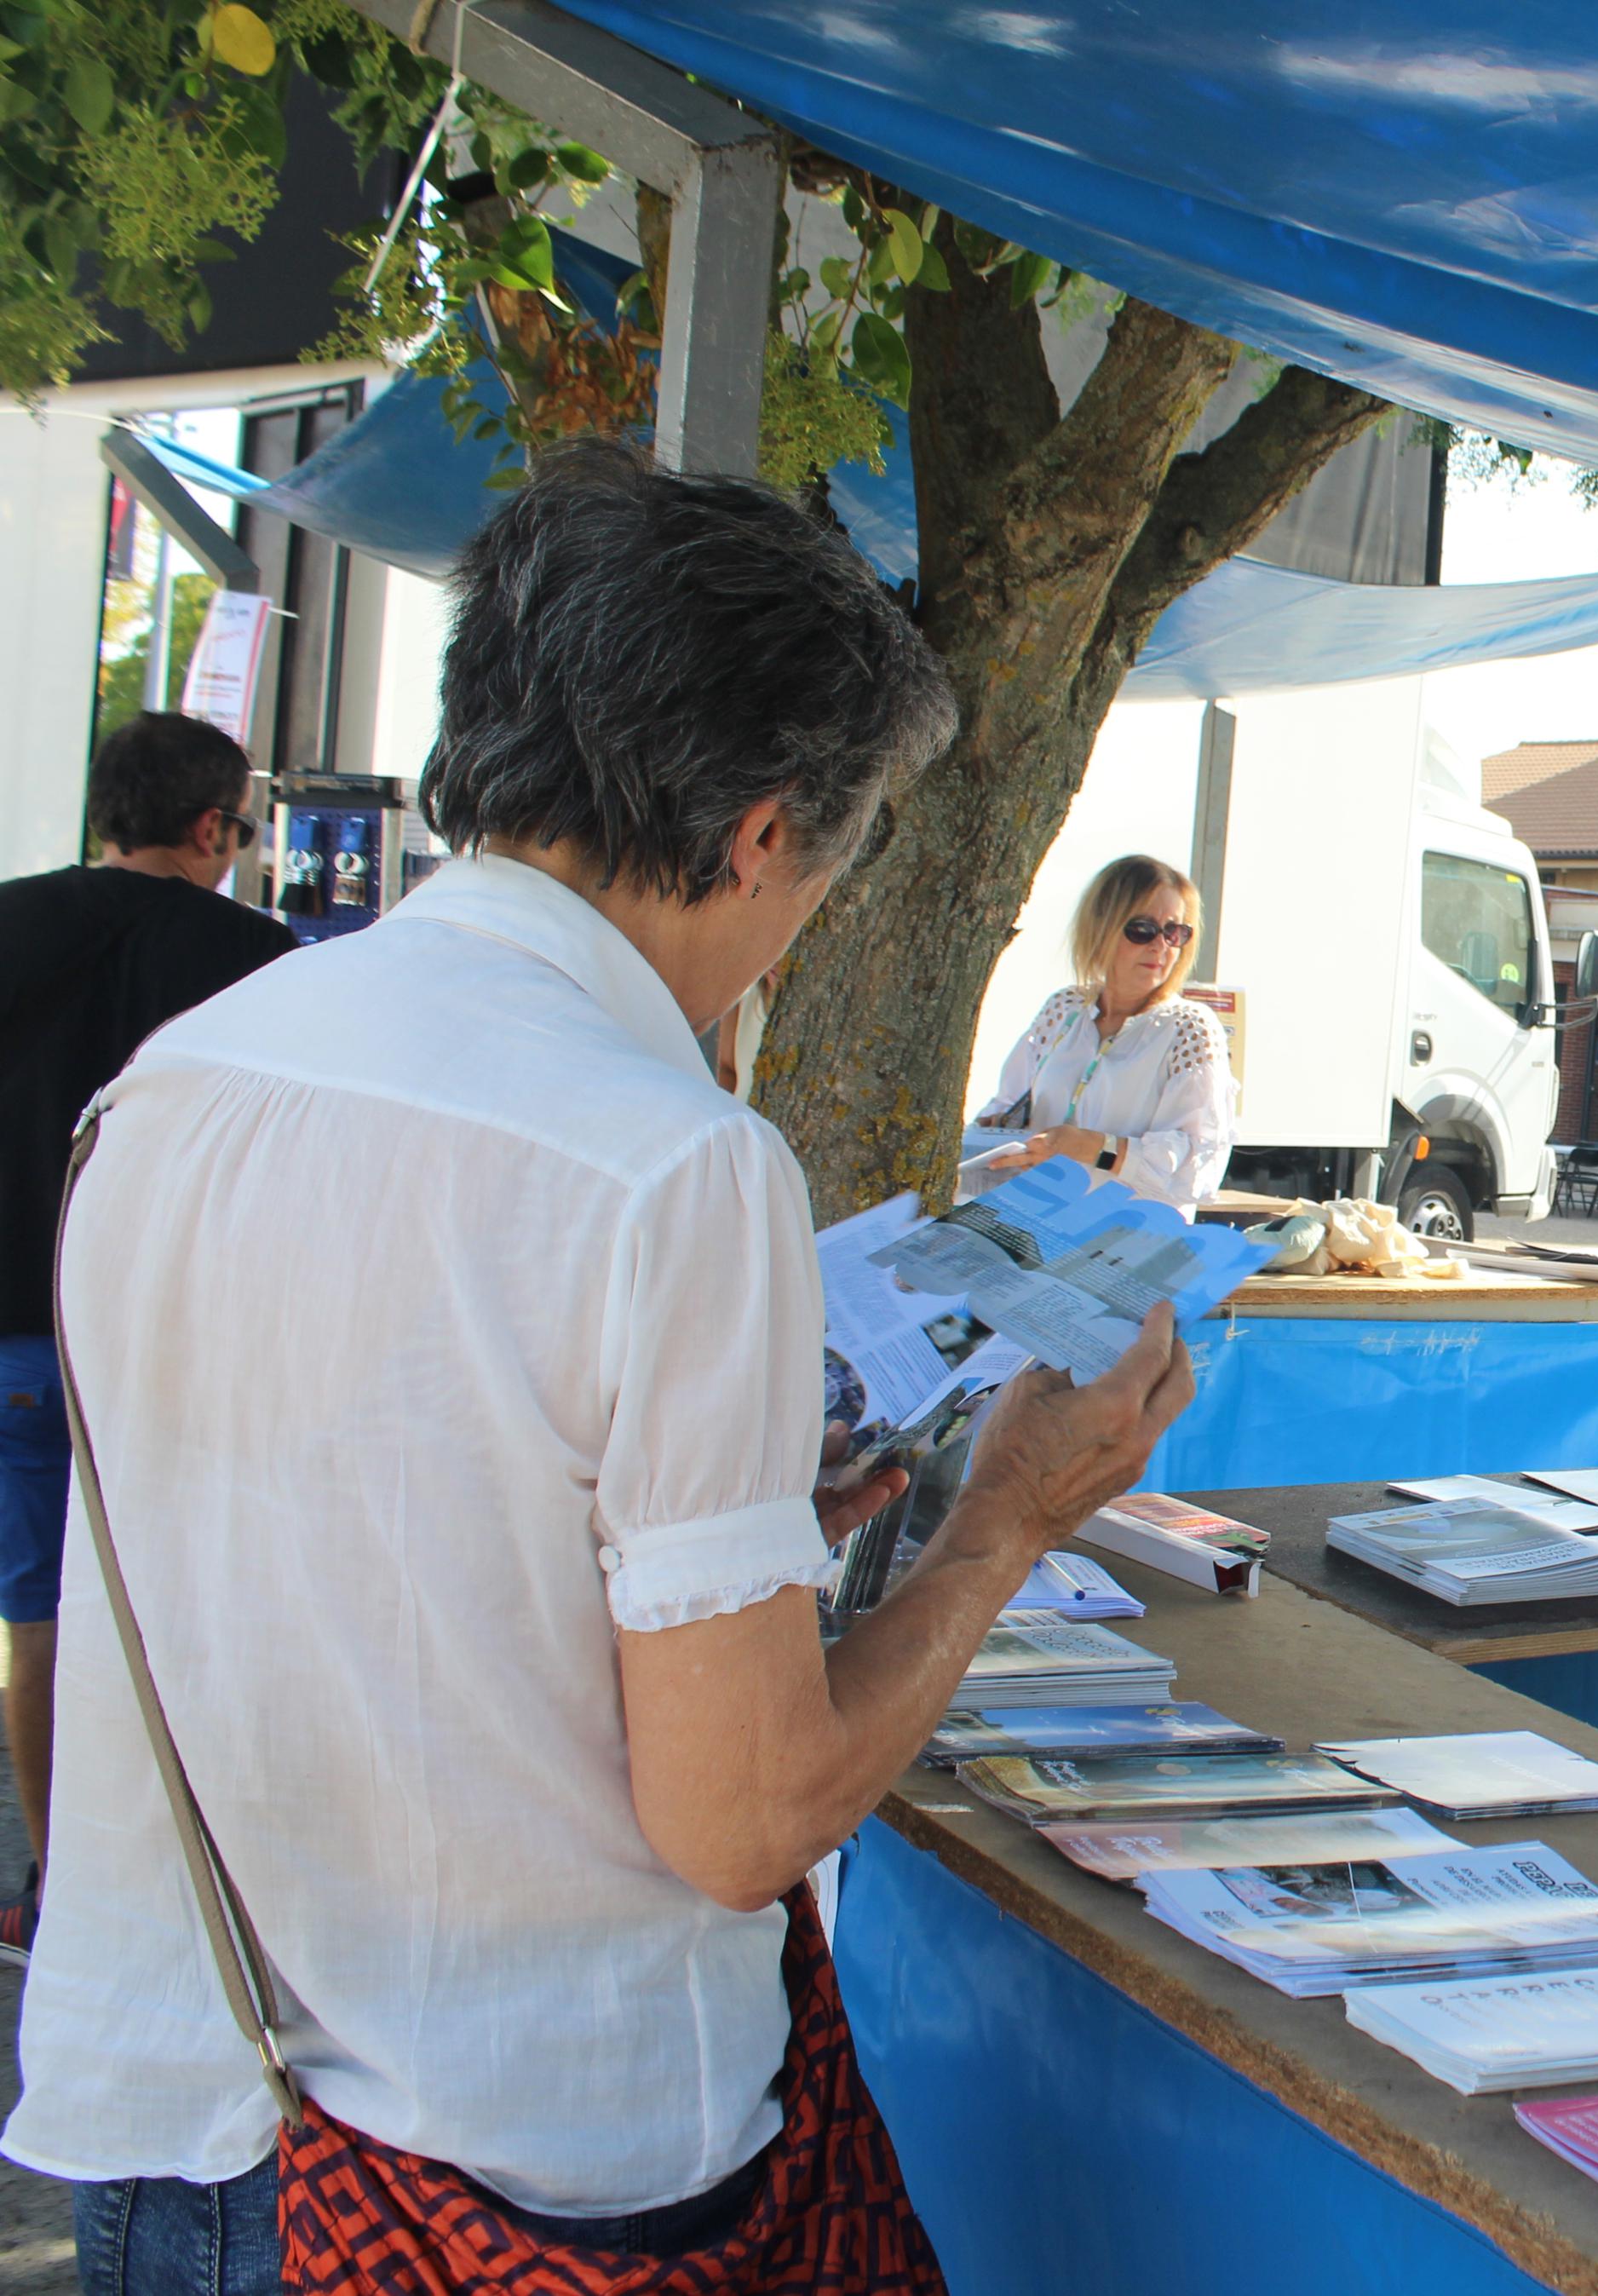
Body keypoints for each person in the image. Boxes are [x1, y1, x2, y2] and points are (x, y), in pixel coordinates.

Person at [9, 440, 1196, 2291]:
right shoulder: (671, 1163)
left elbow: (359, 1518)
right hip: (513, 2155)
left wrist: (718, 1516)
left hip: (188, 2103)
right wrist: (1006, 1522)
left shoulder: (181, 1084)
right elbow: (739, 1823)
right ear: (760, 833)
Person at [0, 713, 295, 1945]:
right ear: (213, 827)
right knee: (183, 1609)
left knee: (38, 1616)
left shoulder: (10, 916)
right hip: (173, 1344)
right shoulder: (262, 957)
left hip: (12, 1336)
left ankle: (64, 1888)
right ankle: (185, 1890)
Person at [975, 854, 1235, 1206]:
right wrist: (996, 1130)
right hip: (1035, 1223)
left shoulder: (1190, 1028)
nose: (1161, 945)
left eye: (1175, 932)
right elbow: (1009, 1101)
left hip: (1125, 1241)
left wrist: (1095, 1148)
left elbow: (1199, 1167)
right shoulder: (1064, 1008)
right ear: (1102, 927)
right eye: (1142, 929)